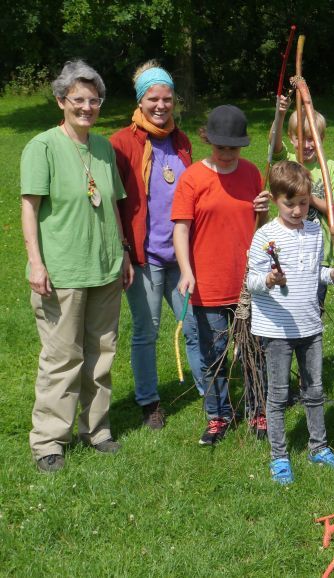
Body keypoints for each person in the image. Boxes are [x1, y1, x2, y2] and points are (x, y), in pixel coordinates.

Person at [20, 60, 133, 473]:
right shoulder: (42, 147)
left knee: (101, 355)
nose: (87, 107)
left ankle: (96, 429)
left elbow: (113, 204)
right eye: (78, 99)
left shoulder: (102, 148)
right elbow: (29, 209)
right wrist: (36, 262)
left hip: (104, 267)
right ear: (61, 101)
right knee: (62, 358)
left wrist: (122, 252)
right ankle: (49, 440)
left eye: (94, 100)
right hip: (62, 271)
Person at [247, 160, 334, 484]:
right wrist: (269, 280)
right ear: (275, 200)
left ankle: (318, 447)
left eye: (304, 203)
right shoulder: (265, 236)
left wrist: (333, 274)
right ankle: (279, 457)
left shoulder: (314, 231)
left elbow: (314, 272)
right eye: (289, 204)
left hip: (309, 325)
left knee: (315, 390)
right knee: (278, 395)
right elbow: (250, 281)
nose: (297, 210)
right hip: (277, 329)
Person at [110, 61, 203, 430]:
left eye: (167, 98)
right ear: (140, 100)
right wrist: (123, 250)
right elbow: (115, 202)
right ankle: (149, 402)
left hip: (180, 256)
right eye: (153, 99)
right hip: (144, 258)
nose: (161, 105)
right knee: (146, 331)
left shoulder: (181, 141)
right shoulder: (121, 144)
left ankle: (210, 391)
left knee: (194, 325)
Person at [172, 105, 269, 445]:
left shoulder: (252, 173)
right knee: (213, 357)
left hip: (248, 283)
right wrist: (186, 271)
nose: (227, 154)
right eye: (220, 147)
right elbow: (181, 229)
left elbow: (260, 227)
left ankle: (258, 411)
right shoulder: (192, 178)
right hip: (208, 284)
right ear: (207, 140)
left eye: (234, 148)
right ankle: (219, 416)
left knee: (255, 351)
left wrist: (263, 211)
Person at [269, 106, 334, 311]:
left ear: (322, 139)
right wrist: (280, 115)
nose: (307, 145)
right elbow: (274, 146)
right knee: (286, 307)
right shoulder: (288, 163)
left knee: (313, 309)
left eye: (313, 139)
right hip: (288, 252)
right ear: (291, 138)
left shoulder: (329, 168)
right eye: (301, 138)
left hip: (319, 254)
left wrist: (310, 199)